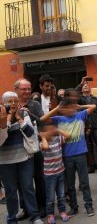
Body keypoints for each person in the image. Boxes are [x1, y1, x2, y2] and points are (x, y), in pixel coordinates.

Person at [40, 90, 97, 218]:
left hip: (81, 154)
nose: (71, 110)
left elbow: (93, 106)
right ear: (63, 109)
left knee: (84, 182)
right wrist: (56, 108)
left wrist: (80, 106)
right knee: (70, 184)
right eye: (67, 108)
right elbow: (42, 119)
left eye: (72, 107)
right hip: (67, 156)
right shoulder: (59, 119)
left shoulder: (80, 115)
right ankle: (74, 207)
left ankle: (89, 205)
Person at [0, 92, 44, 224]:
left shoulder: (24, 114)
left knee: (28, 187)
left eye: (15, 100)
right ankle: (12, 218)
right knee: (10, 191)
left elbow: (31, 134)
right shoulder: (1, 118)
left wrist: (19, 118)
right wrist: (6, 120)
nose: (13, 104)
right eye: (9, 101)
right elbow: (1, 139)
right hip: (5, 161)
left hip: (25, 158)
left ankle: (35, 216)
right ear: (3, 104)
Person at [14, 78, 46, 220]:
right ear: (17, 90)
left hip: (35, 147)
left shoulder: (35, 104)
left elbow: (43, 120)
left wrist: (29, 114)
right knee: (22, 182)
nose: (27, 91)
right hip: (18, 149)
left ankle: (42, 206)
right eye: (24, 89)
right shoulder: (12, 104)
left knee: (39, 178)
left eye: (29, 89)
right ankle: (26, 208)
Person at [39, 125, 71, 223]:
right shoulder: (42, 143)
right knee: (50, 197)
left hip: (60, 171)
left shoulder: (57, 139)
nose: (51, 132)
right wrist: (43, 137)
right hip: (49, 175)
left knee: (61, 195)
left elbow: (68, 135)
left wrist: (57, 130)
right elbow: (45, 147)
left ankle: (62, 212)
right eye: (48, 130)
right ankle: (50, 215)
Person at [76, 78, 97, 175]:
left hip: (95, 126)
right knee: (88, 148)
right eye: (84, 86)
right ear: (82, 89)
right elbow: (74, 93)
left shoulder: (96, 99)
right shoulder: (79, 99)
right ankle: (91, 166)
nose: (85, 86)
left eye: (87, 85)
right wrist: (81, 83)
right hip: (85, 126)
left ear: (90, 89)